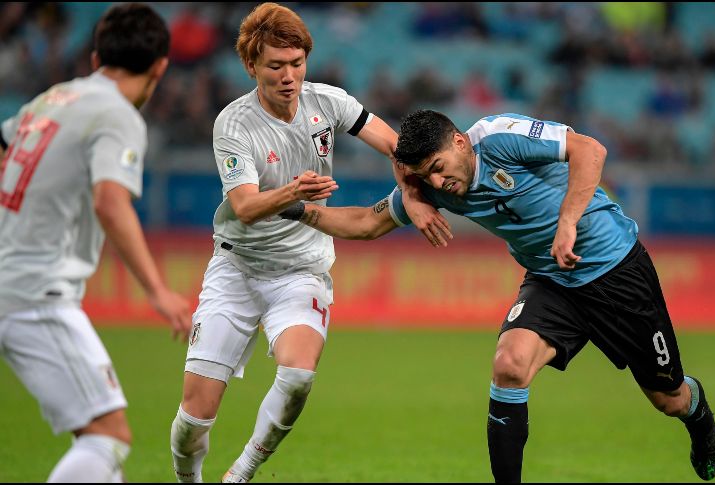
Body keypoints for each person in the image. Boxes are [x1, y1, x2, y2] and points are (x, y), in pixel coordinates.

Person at [277, 109, 715, 483]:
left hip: (617, 272)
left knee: (669, 399)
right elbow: (365, 223)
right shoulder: (431, 188)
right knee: (509, 366)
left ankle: (697, 413)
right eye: (425, 175)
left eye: (438, 165)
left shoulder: (499, 138)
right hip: (552, 279)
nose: (438, 180)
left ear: (459, 141)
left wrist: (568, 221)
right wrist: (298, 209)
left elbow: (590, 149)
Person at [167, 4, 446, 483]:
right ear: (252, 66)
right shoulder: (233, 125)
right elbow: (246, 207)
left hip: (300, 270)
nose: (289, 76)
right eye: (276, 66)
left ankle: (241, 473)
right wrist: (296, 190)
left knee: (297, 376)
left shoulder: (329, 103)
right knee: (194, 420)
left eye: (297, 63)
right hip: (236, 269)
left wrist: (413, 195)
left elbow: (398, 146)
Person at [0, 3, 191, 482]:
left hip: (13, 280)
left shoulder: (51, 99)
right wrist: (156, 289)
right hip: (35, 292)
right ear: (161, 66)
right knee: (107, 434)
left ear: (93, 58)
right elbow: (110, 201)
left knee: (93, 437)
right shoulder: (116, 115)